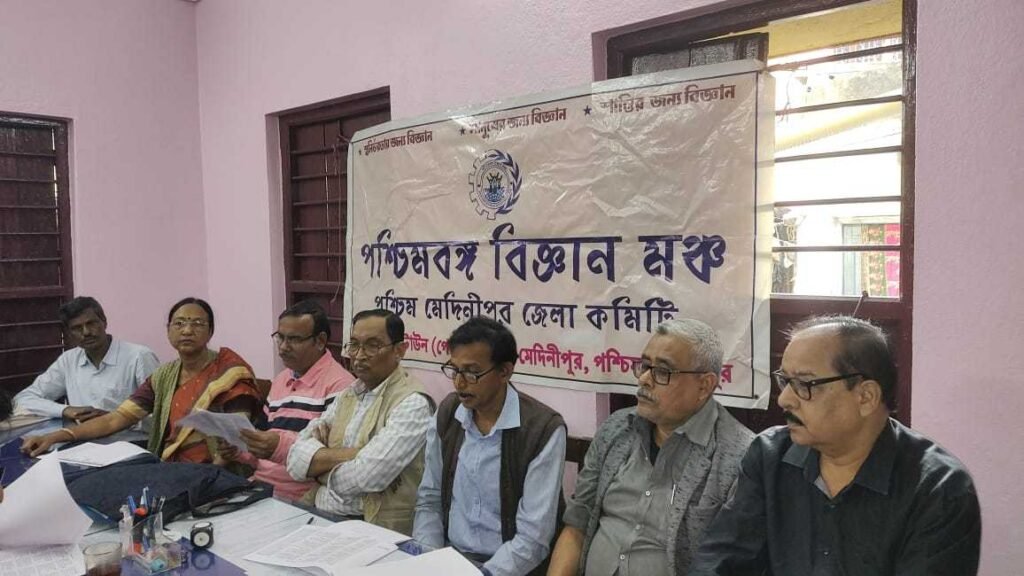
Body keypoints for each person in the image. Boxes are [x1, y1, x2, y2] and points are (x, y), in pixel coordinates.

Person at [689, 315, 981, 576]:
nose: (785, 400)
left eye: (804, 385)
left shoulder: (938, 489)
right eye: (785, 381)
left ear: (865, 397)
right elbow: (721, 560)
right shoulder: (770, 456)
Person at [547, 319, 754, 576]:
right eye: (645, 366)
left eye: (663, 372)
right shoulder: (616, 428)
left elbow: (730, 564)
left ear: (704, 386)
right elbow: (577, 523)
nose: (644, 379)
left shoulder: (739, 457)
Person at [22, 298, 264, 464]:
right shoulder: (164, 376)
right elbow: (116, 418)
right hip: (171, 464)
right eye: (179, 324)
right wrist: (55, 437)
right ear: (168, 330)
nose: (187, 331)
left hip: (221, 469)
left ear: (211, 331)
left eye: (197, 324)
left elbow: (238, 435)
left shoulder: (230, 371)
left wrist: (222, 460)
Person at [414, 316, 567, 576]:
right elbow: (429, 501)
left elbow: (533, 538)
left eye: (472, 373)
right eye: (454, 370)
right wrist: (429, 561)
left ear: (505, 371)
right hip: (448, 560)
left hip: (512, 569)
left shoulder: (543, 429)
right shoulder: (449, 413)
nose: (459, 383)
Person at [286, 309, 432, 534]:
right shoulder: (349, 393)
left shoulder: (413, 403)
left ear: (399, 350)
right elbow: (295, 461)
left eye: (372, 346)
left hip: (375, 528)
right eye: (354, 345)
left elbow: (368, 477)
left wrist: (317, 470)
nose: (359, 355)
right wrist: (354, 454)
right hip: (323, 516)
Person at [219, 300, 355, 501]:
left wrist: (278, 445)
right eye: (280, 337)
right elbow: (263, 446)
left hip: (302, 496)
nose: (283, 347)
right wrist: (239, 450)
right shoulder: (282, 379)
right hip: (260, 486)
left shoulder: (341, 386)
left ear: (320, 341)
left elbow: (332, 457)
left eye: (294, 339)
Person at [13, 296, 159, 421]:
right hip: (81, 440)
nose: (86, 332)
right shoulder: (69, 360)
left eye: (91, 323)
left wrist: (114, 420)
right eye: (77, 328)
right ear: (69, 333)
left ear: (104, 322)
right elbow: (23, 399)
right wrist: (65, 410)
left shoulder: (139, 356)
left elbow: (161, 415)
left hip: (132, 440)